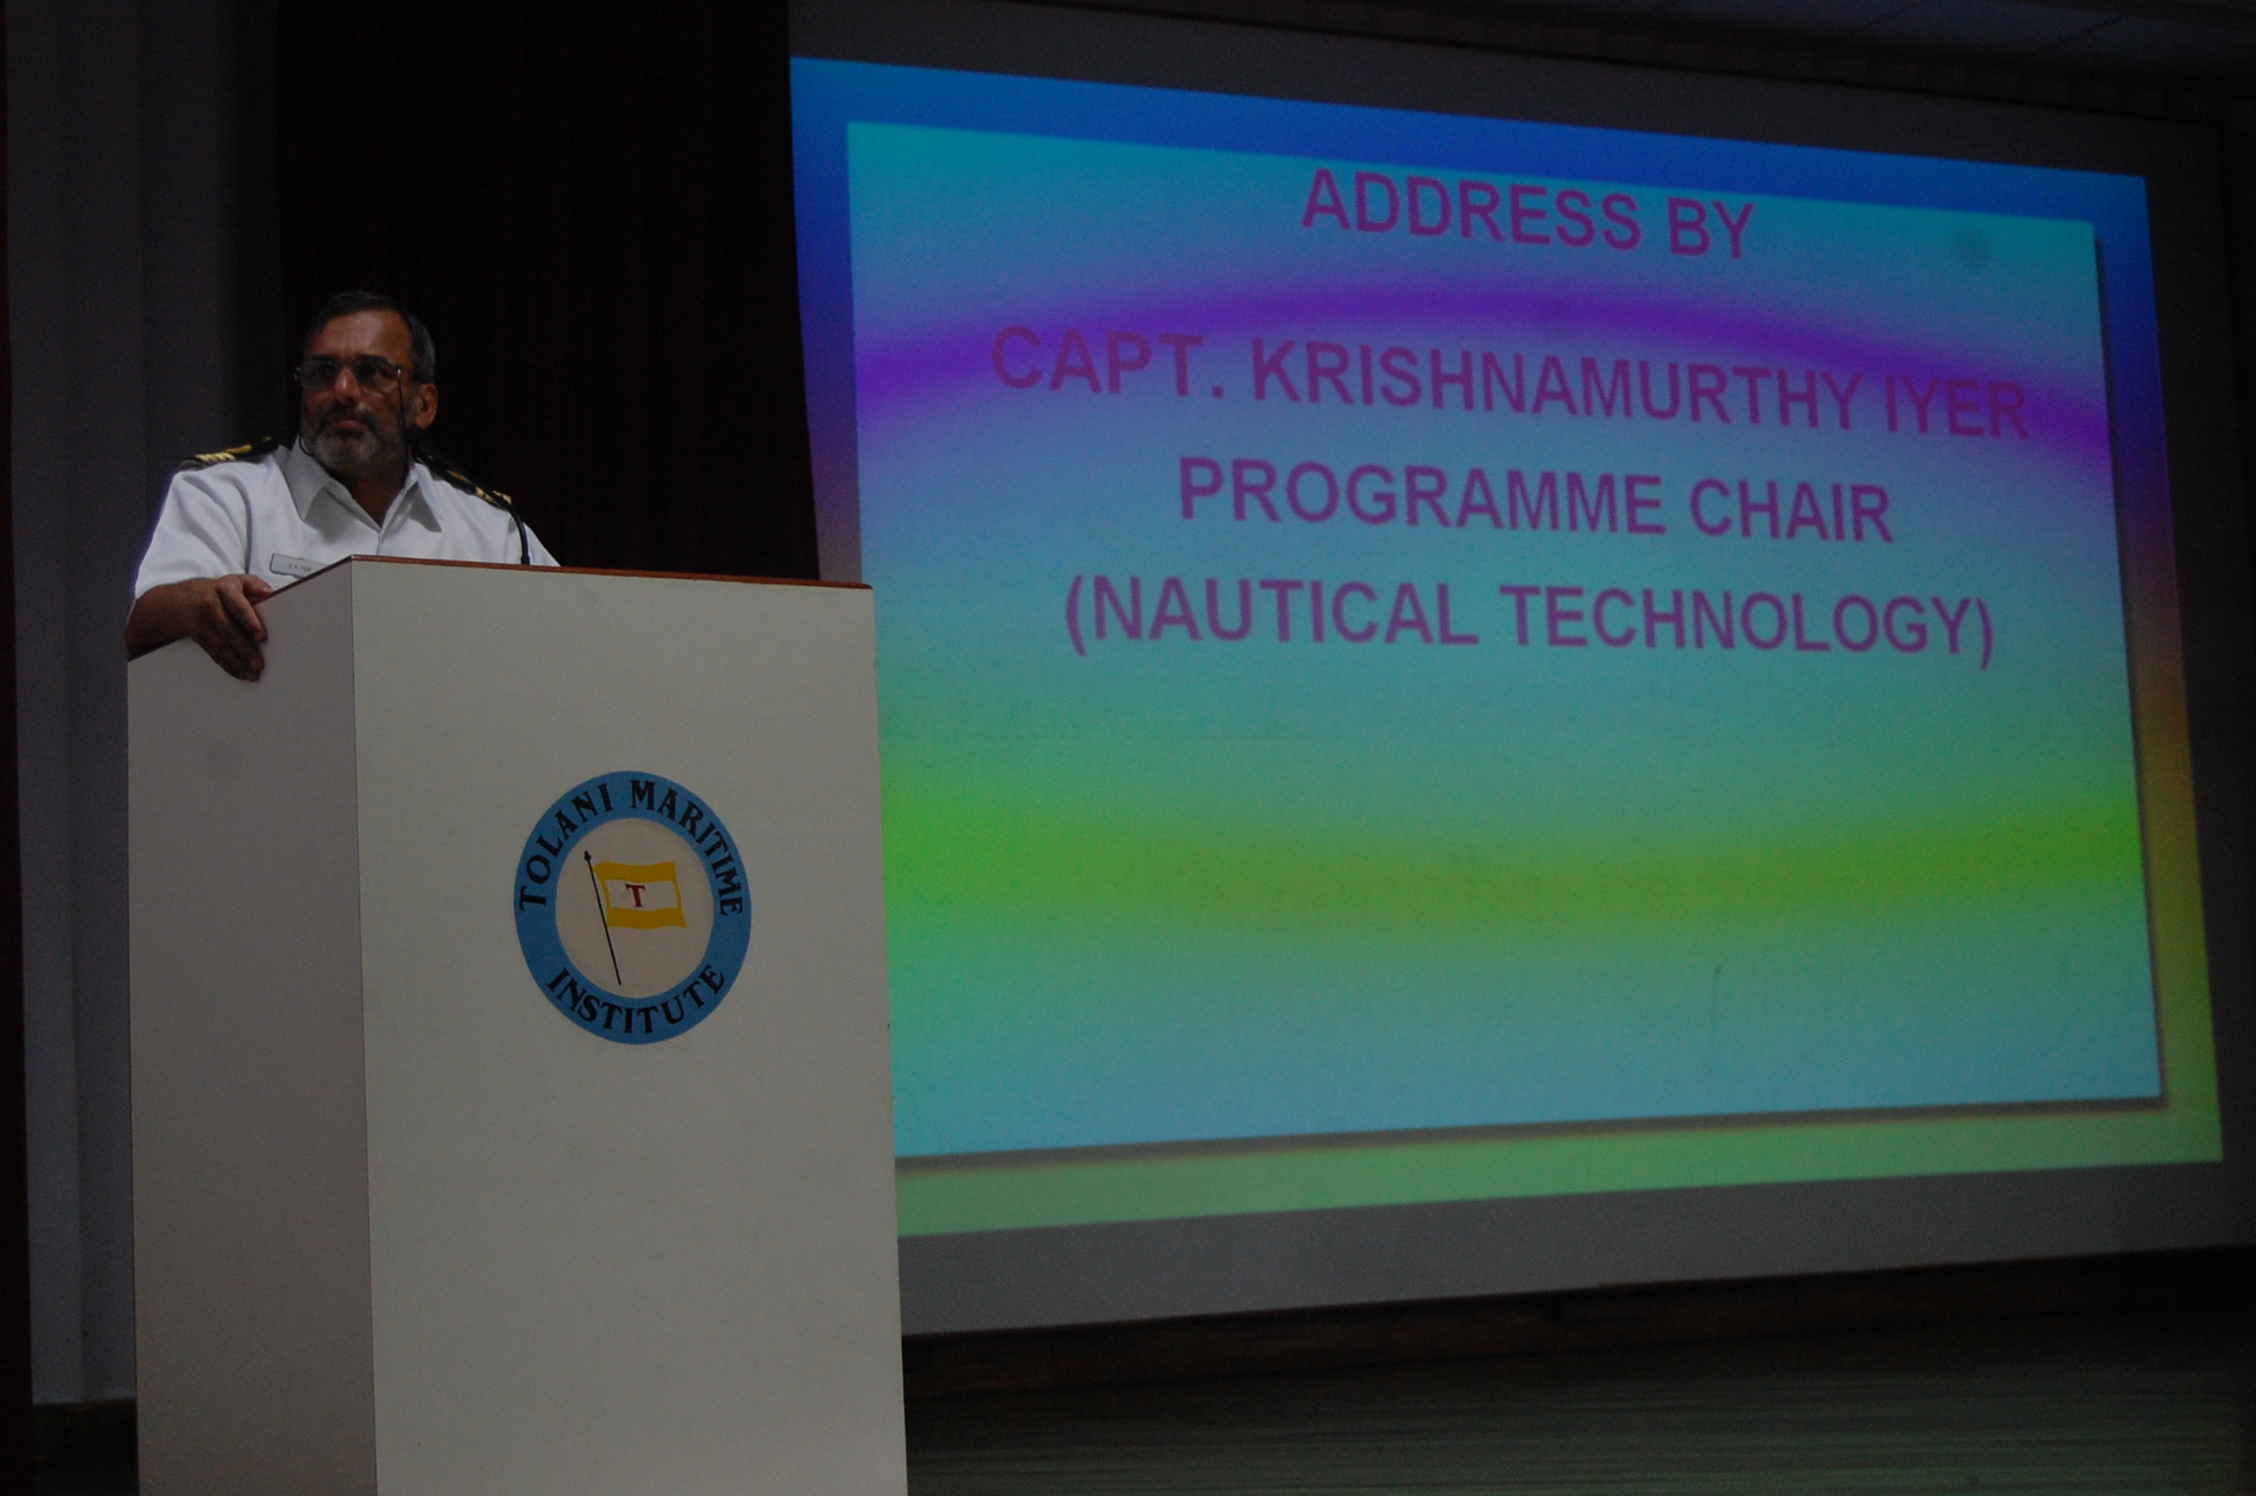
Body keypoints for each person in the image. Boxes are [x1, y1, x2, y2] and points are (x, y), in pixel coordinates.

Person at [127, 290, 559, 680]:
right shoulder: (228, 494)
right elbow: (145, 622)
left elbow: (572, 632)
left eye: (372, 372)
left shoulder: (491, 527)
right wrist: (194, 602)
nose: (344, 391)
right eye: (322, 372)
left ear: (424, 405)